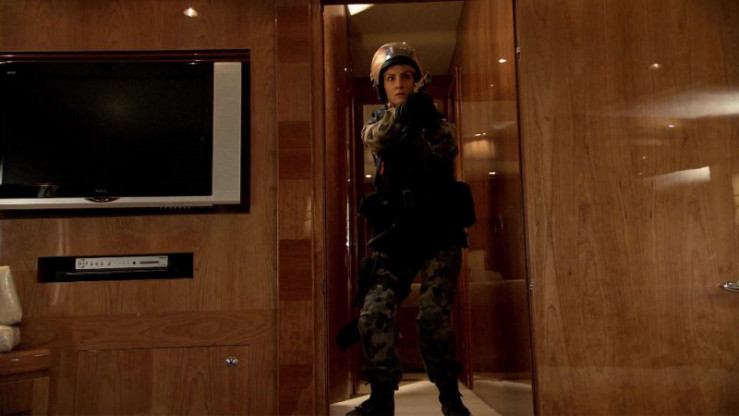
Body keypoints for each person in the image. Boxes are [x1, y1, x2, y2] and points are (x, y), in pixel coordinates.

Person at [347, 41, 475, 416]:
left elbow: (447, 147)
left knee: (433, 317)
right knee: (373, 313)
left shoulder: (437, 122)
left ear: (417, 81)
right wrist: (403, 115)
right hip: (398, 235)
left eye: (406, 76)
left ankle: (450, 399)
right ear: (380, 86)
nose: (399, 83)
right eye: (390, 78)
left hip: (439, 231)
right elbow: (377, 139)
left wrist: (427, 119)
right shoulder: (377, 123)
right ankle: (381, 398)